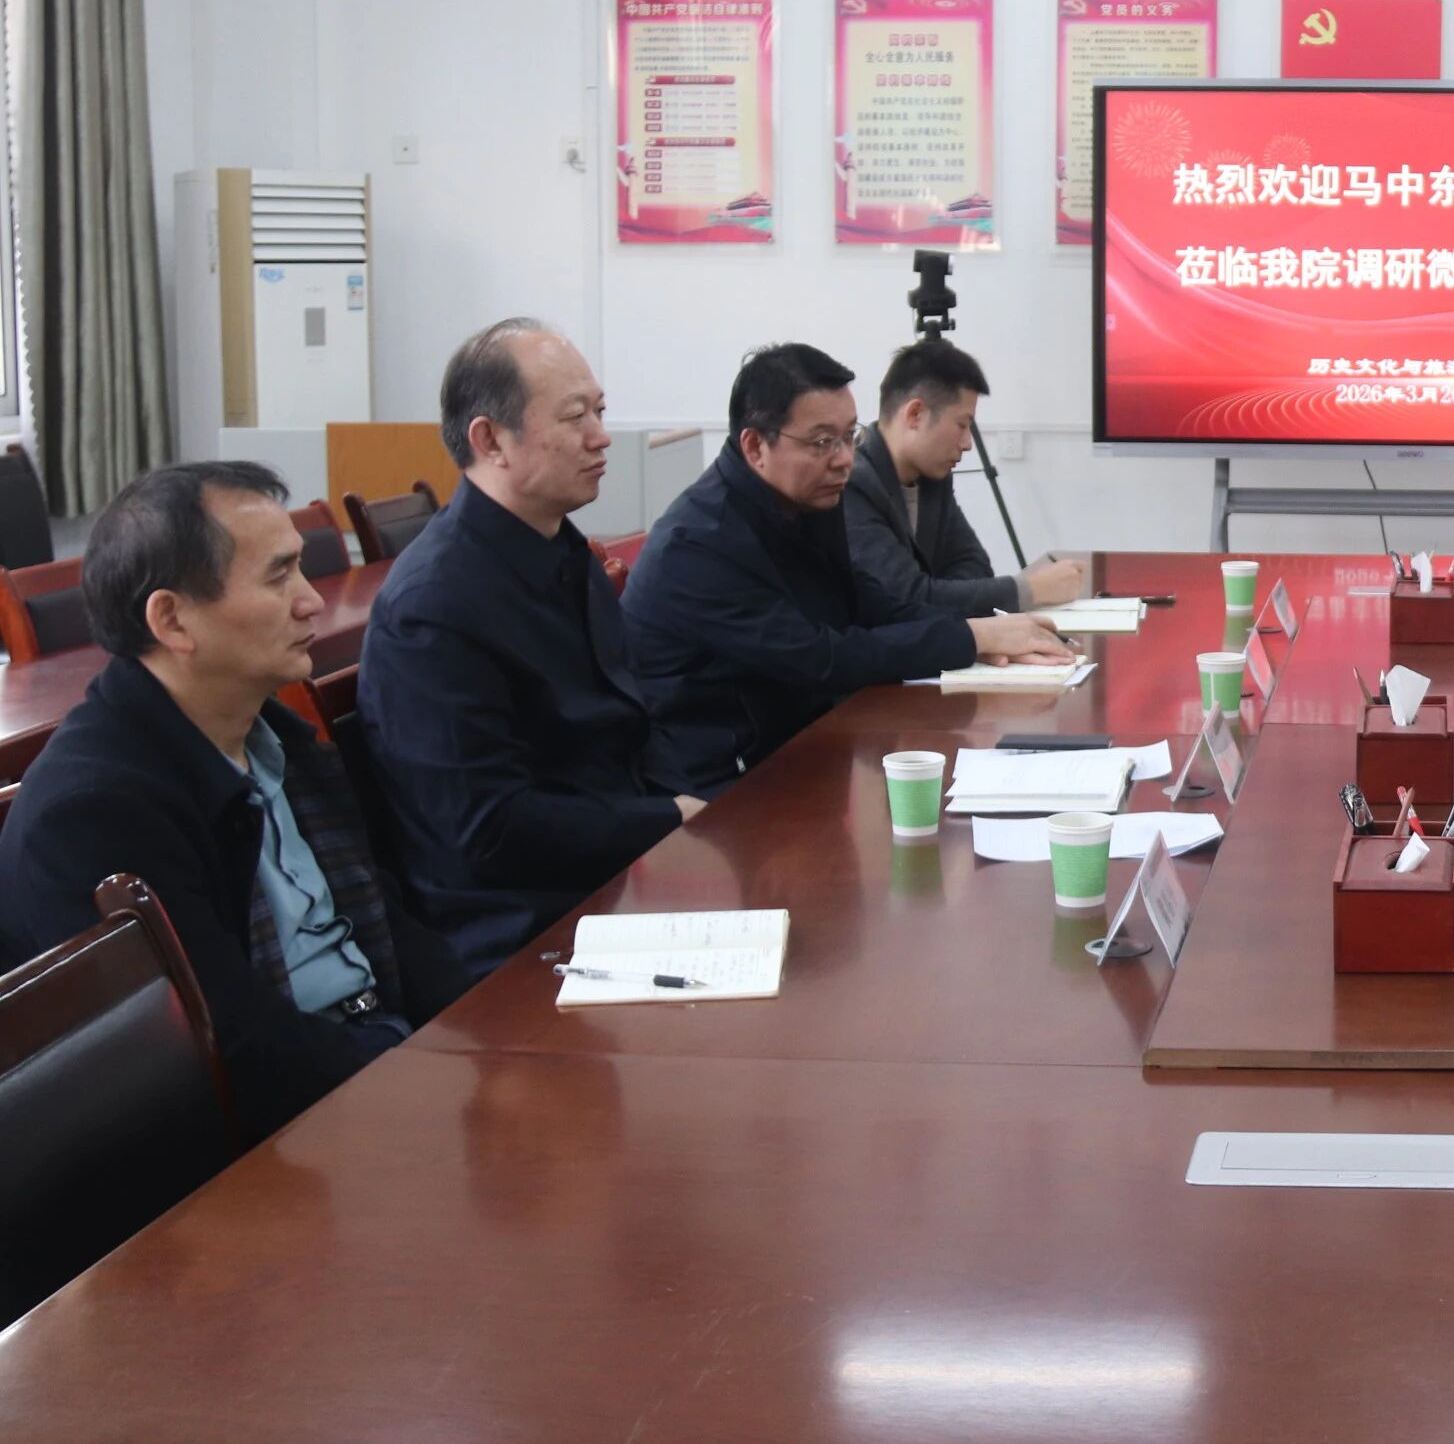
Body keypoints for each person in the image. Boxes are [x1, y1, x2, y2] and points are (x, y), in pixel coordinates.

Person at [0, 463, 462, 1140]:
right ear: (172, 619)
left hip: (370, 1059)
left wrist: (478, 1034)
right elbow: (232, 1049)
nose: (312, 601)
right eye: (278, 577)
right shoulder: (96, 812)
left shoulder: (275, 735)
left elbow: (381, 916)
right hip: (271, 1136)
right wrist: (423, 1078)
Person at [359, 320, 701, 979]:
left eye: (599, 411)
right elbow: (487, 831)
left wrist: (685, 809)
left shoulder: (566, 553)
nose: (601, 436)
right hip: (519, 929)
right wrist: (666, 816)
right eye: (575, 417)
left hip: (615, 878)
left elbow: (632, 719)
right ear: (490, 440)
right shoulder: (434, 608)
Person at [626, 344, 1079, 795]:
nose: (845, 458)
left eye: (849, 436)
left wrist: (977, 633)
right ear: (755, 445)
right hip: (716, 784)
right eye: (823, 442)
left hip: (801, 744)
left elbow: (863, 600)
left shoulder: (802, 496)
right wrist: (972, 639)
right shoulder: (700, 545)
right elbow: (819, 658)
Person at [846, 337, 1086, 617]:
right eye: (961, 425)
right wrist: (1031, 589)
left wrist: (937, 595)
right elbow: (903, 600)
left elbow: (975, 565)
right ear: (915, 414)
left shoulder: (934, 479)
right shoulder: (853, 485)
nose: (967, 443)